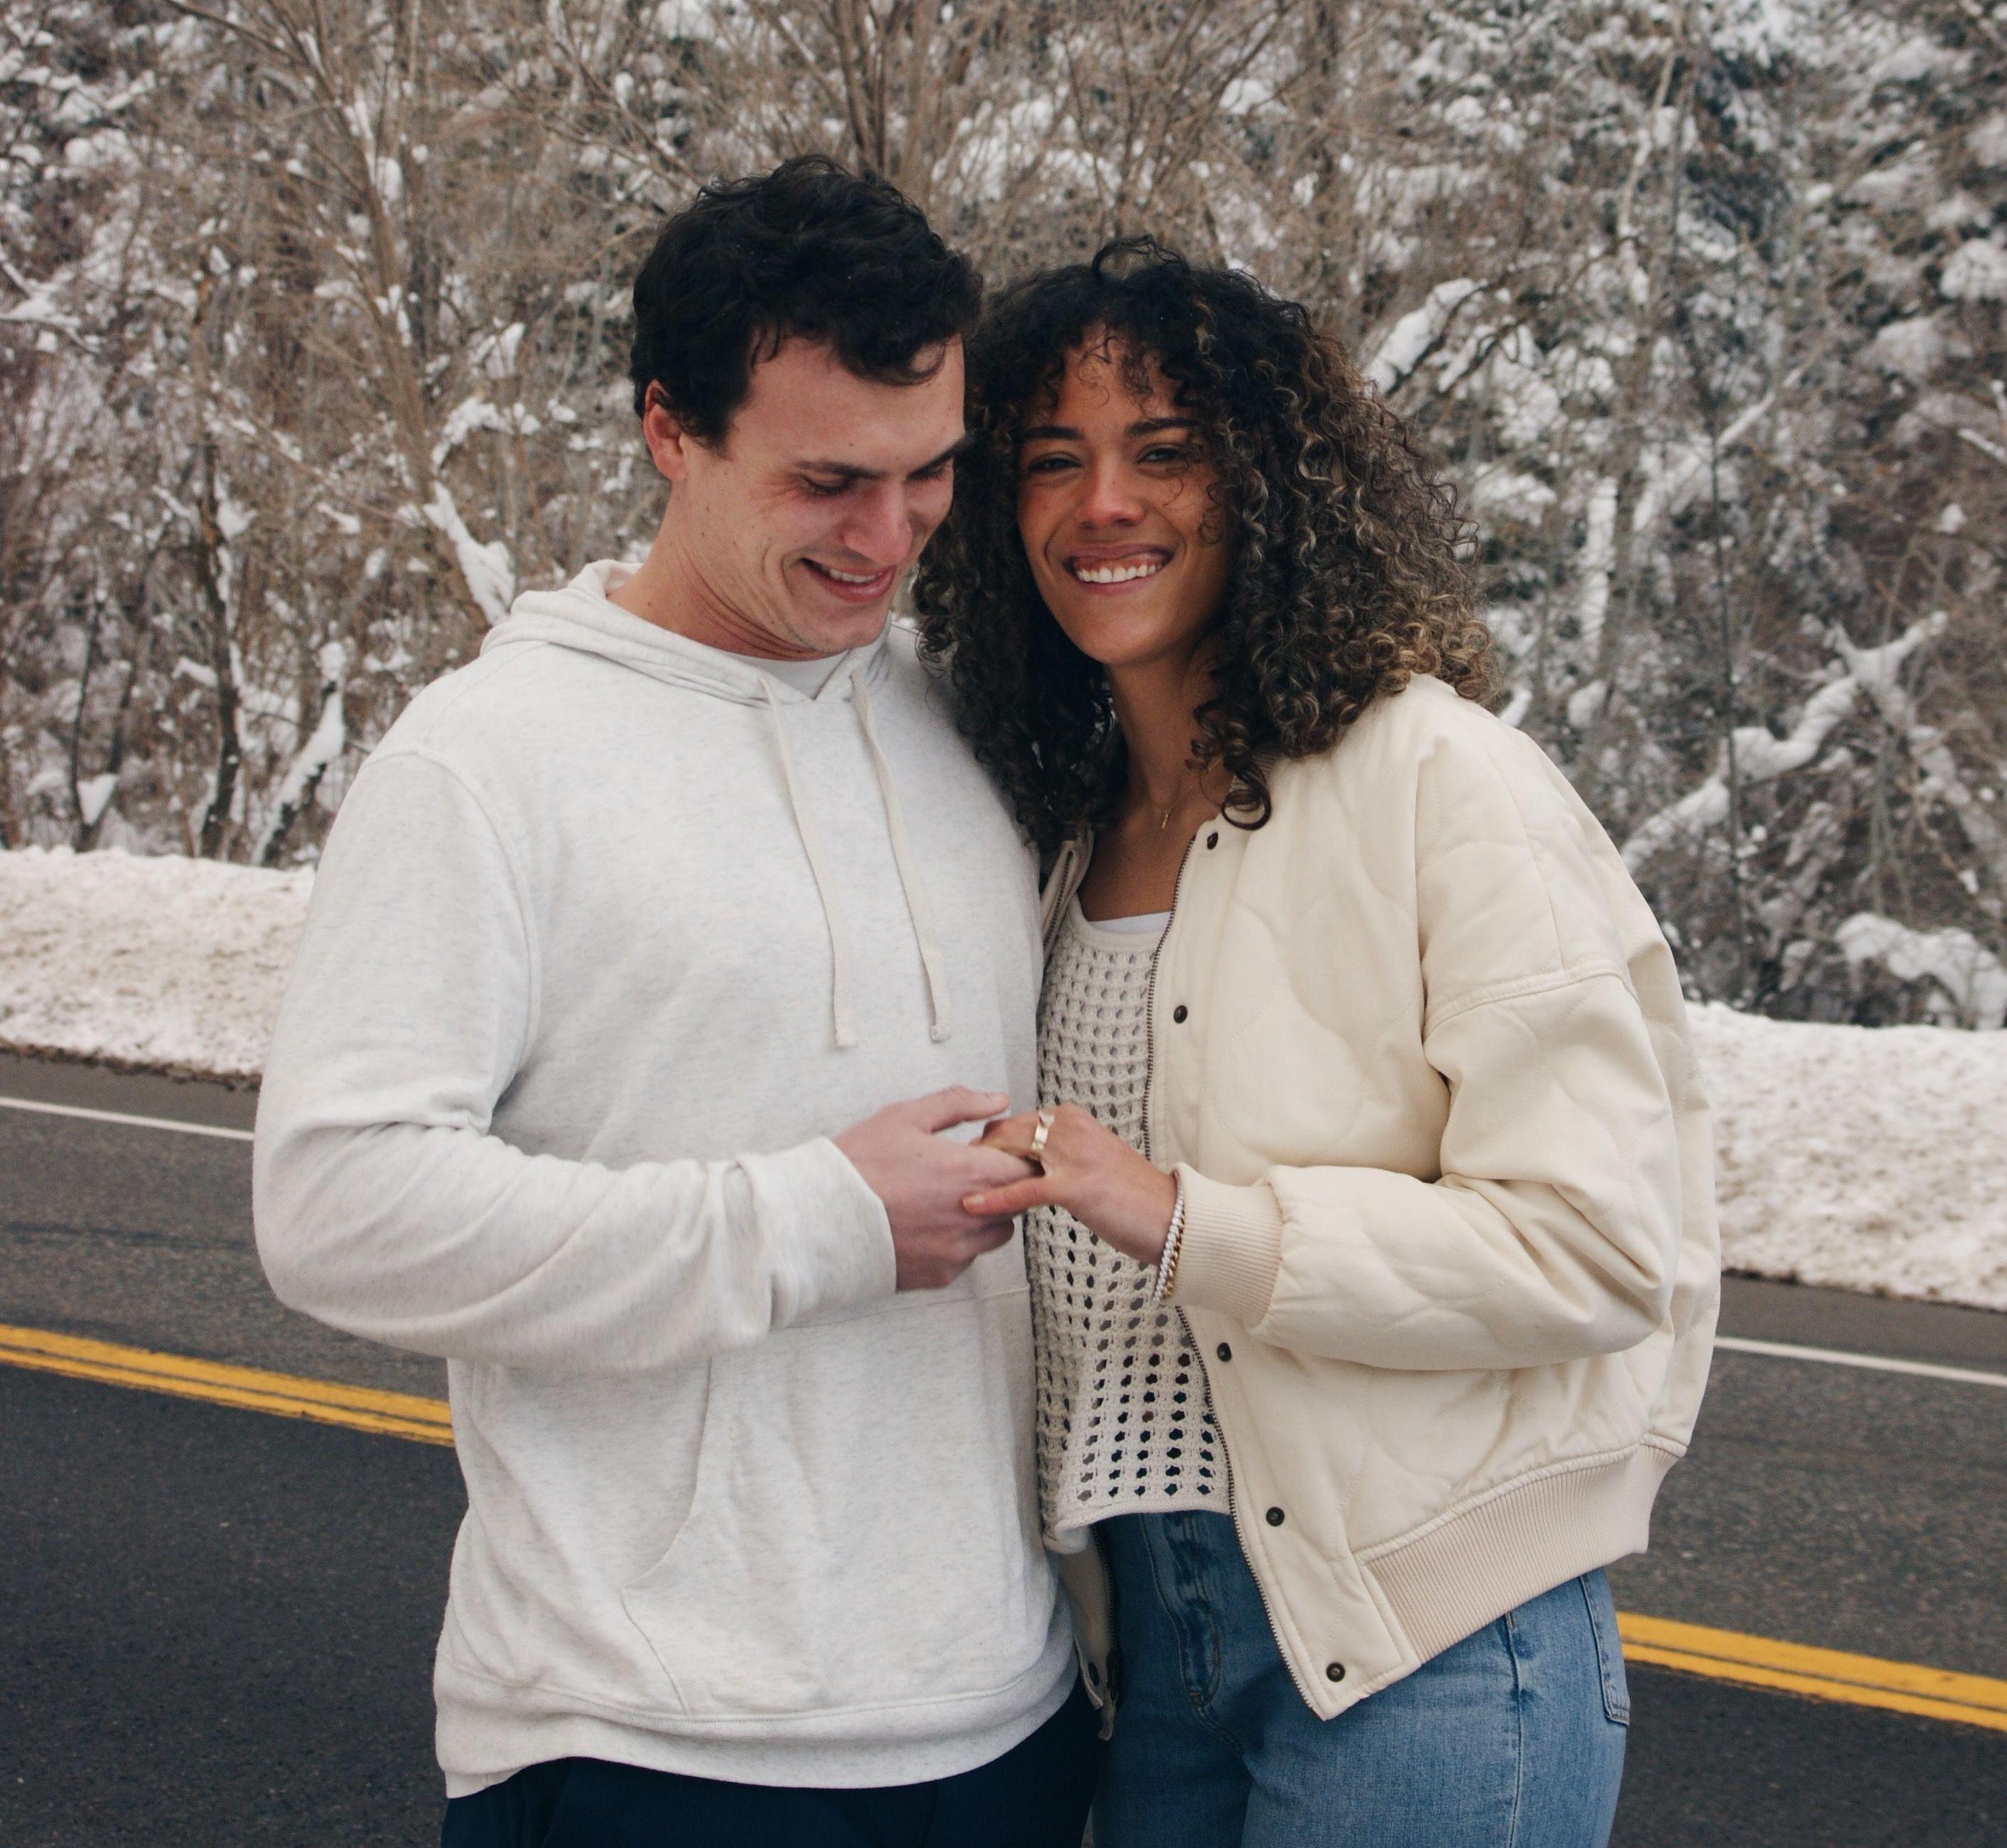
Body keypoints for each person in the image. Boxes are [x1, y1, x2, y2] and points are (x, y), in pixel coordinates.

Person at [253, 158, 1096, 1847]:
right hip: (648, 1737)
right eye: (828, 482)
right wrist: (811, 1221)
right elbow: (336, 1206)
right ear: (669, 432)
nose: (889, 537)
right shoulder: (490, 762)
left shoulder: (968, 724)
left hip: (1004, 1718)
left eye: (930, 474)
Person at [912, 240, 1719, 1848]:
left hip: (1427, 1653)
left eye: (1164, 451)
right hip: (1159, 1652)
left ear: (1269, 484)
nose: (1101, 506)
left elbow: (1599, 1245)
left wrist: (1188, 1220)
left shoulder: (1441, 779)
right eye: (1051, 461)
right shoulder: (1066, 838)